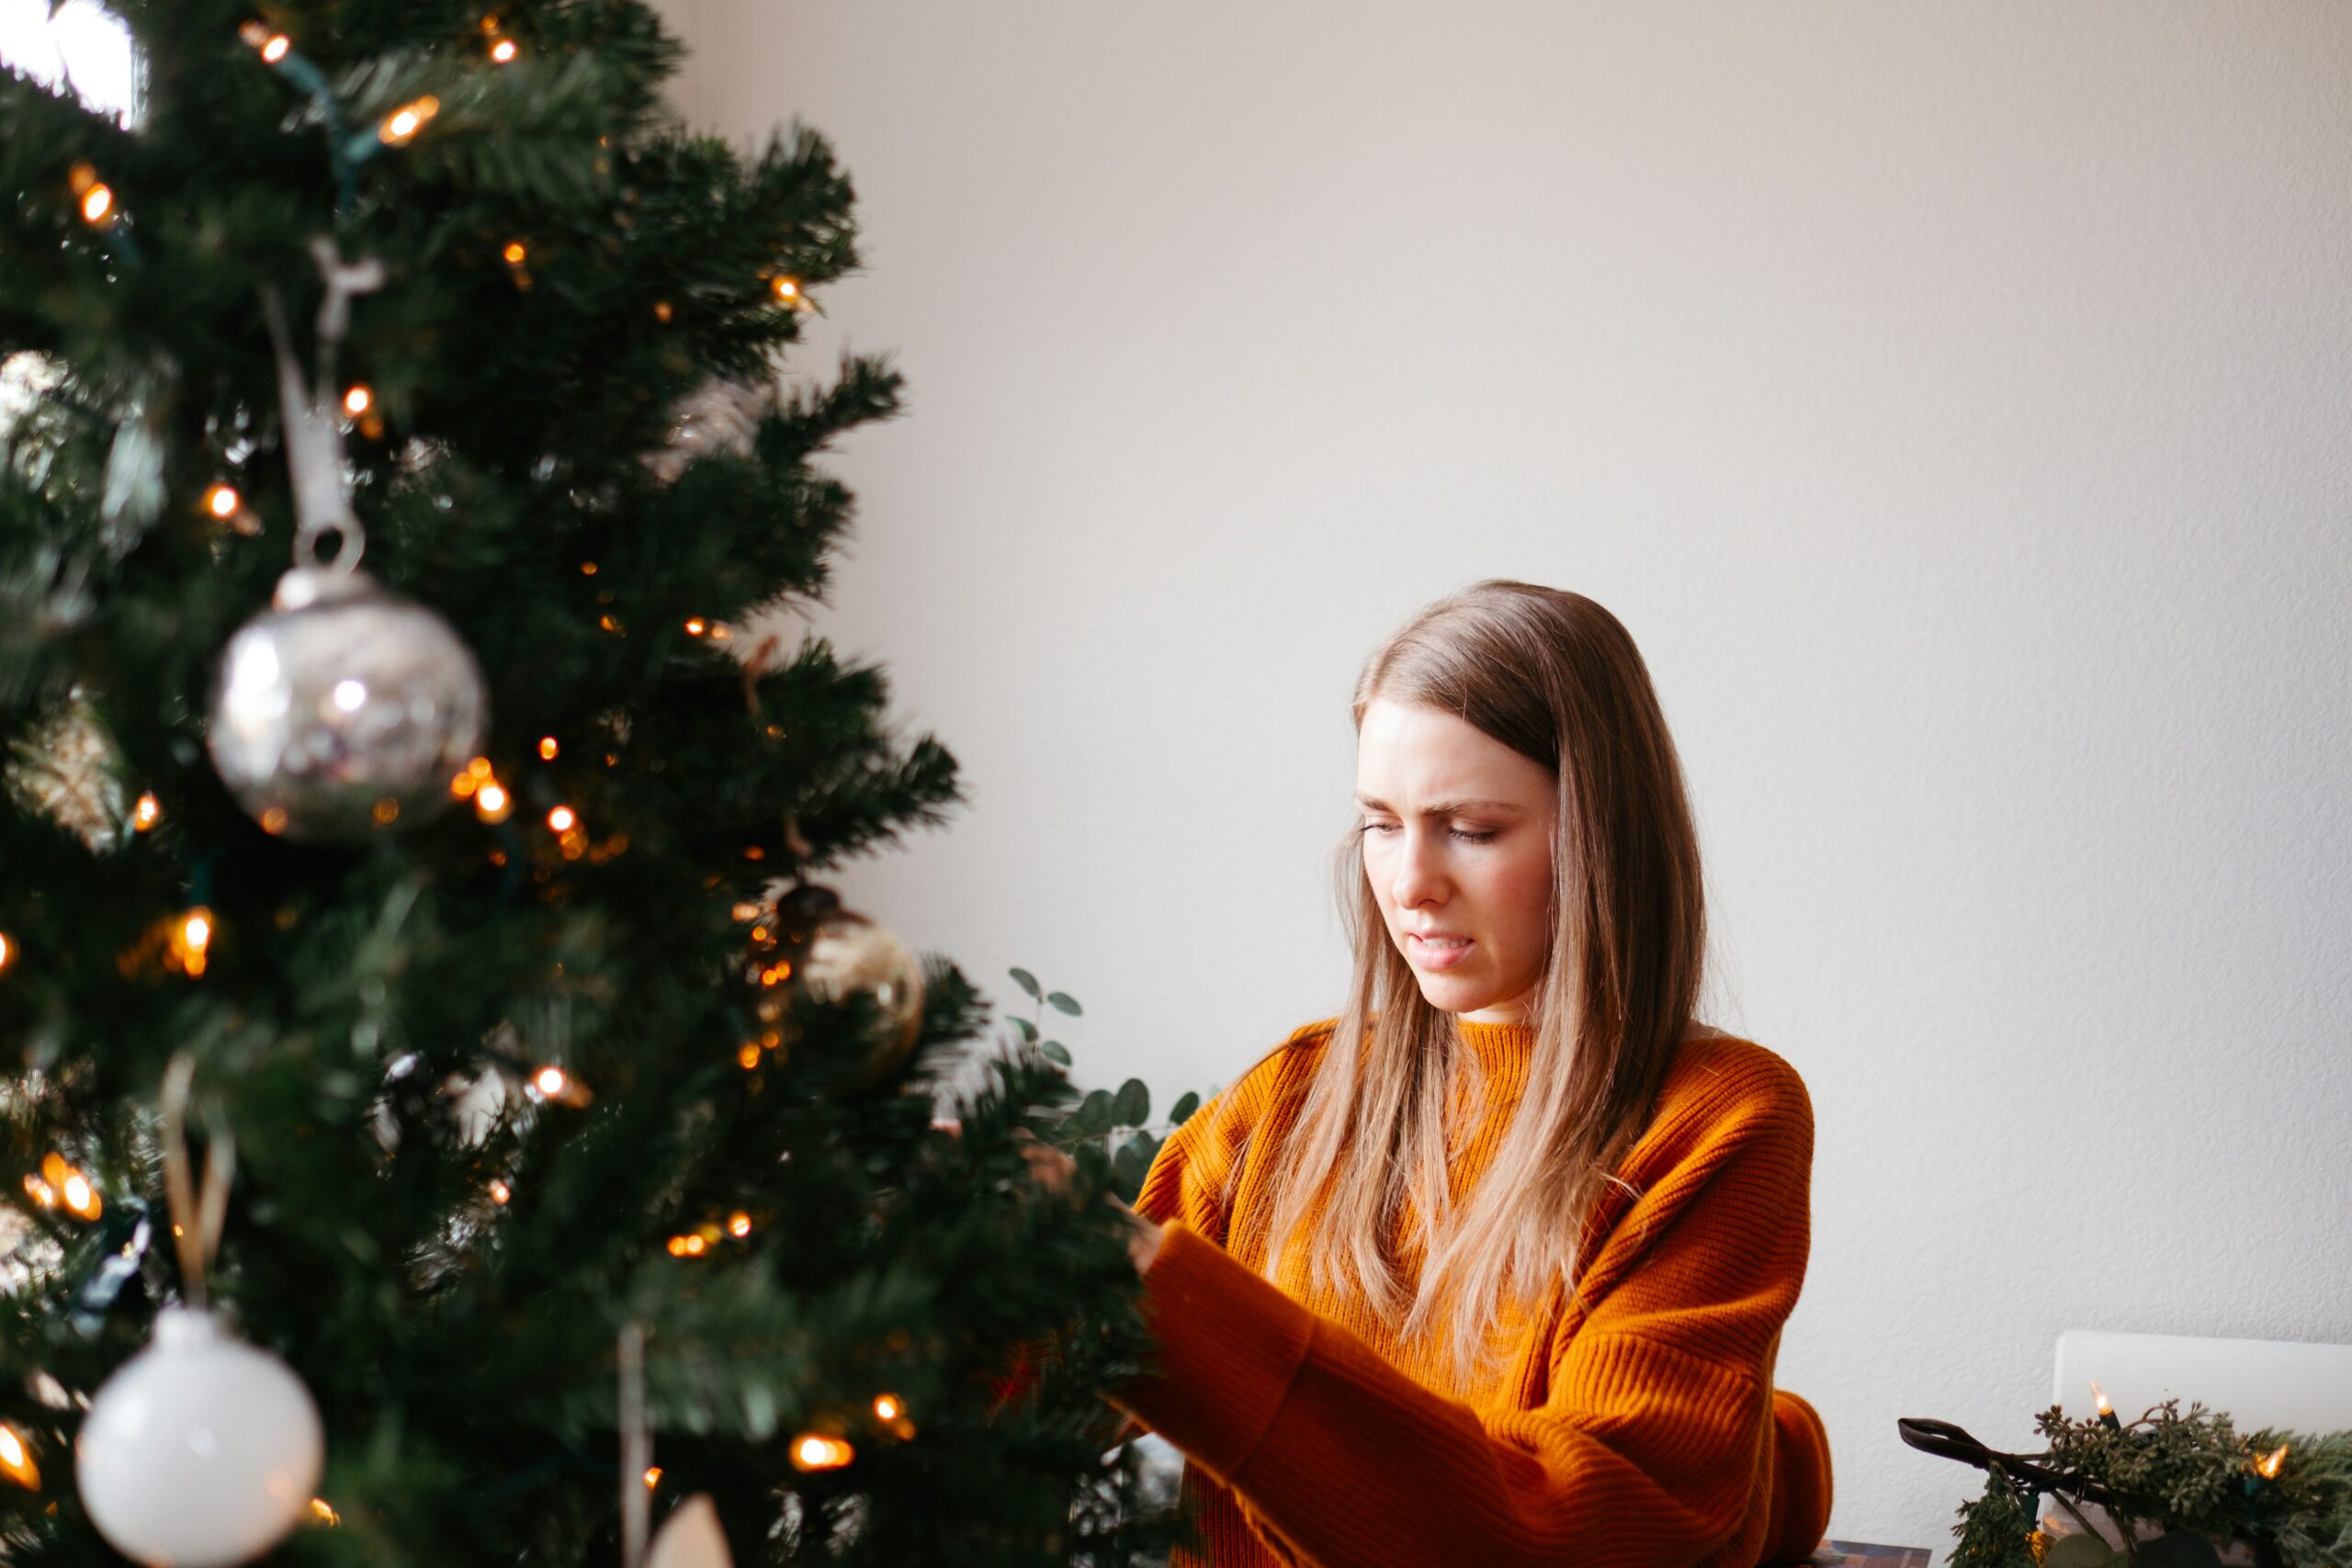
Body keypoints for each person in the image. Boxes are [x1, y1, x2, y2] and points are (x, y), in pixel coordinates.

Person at [1013, 580, 1834, 1568]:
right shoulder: (1294, 1094)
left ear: (1599, 836)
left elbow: (1573, 1531)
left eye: (1472, 829)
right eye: (1379, 823)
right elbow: (1036, 1389)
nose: (1408, 884)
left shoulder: (1719, 1120)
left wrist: (1149, 1286)